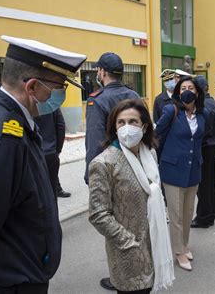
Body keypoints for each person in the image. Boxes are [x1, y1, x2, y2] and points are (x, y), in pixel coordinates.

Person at [0, 35, 86, 293]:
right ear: (32, 87)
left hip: (15, 272)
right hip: (5, 282)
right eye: (59, 86)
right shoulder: (1, 137)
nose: (60, 94)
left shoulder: (8, 118)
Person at [89, 99, 174, 294]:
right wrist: (129, 243)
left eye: (133, 122)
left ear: (144, 126)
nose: (127, 127)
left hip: (154, 243)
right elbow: (98, 214)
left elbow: (154, 191)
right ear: (114, 127)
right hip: (128, 252)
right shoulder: (104, 163)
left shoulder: (150, 154)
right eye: (121, 122)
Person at [84, 52, 140, 290]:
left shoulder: (97, 100)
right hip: (136, 168)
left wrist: (91, 176)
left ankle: (121, 278)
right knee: (135, 224)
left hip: (110, 171)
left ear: (102, 72)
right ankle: (139, 270)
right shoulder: (134, 95)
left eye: (98, 70)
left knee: (114, 229)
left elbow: (95, 142)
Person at [155, 76, 209, 271]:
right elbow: (156, 135)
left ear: (197, 93)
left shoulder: (203, 114)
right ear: (178, 92)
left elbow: (201, 140)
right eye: (183, 87)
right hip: (173, 170)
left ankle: (184, 244)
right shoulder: (171, 110)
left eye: (191, 88)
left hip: (193, 169)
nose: (187, 90)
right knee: (176, 215)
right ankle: (178, 252)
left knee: (187, 213)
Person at [191, 76, 215, 228]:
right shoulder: (212, 102)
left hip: (205, 147)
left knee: (203, 185)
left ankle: (204, 216)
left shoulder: (204, 106)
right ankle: (210, 213)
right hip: (212, 146)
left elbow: (202, 131)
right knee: (209, 183)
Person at [35, 109, 71, 199]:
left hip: (34, 152)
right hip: (51, 151)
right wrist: (57, 149)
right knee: (52, 190)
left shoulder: (26, 104)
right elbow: (61, 126)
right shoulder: (52, 105)